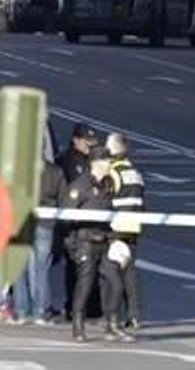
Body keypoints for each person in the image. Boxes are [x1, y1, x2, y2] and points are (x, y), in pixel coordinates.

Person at [62, 145, 128, 342]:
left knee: (116, 283)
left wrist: (115, 239)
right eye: (107, 161)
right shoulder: (79, 187)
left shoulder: (107, 185)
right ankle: (78, 326)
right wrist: (73, 247)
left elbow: (108, 215)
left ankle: (112, 325)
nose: (110, 165)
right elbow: (66, 219)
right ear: (96, 163)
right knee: (85, 285)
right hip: (86, 243)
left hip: (104, 242)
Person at [11, 154, 65, 325]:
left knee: (19, 269)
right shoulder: (55, 171)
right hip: (46, 224)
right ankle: (40, 311)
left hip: (22, 221)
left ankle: (21, 311)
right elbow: (62, 198)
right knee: (42, 269)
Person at [104, 132, 145, 331]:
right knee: (130, 275)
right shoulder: (135, 172)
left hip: (116, 228)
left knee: (112, 275)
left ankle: (113, 316)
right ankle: (135, 315)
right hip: (133, 228)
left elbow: (106, 199)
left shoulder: (112, 172)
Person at [59, 123, 99, 317]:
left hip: (91, 220)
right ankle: (73, 308)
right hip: (74, 220)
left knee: (92, 266)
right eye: (86, 141)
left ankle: (91, 306)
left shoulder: (93, 160)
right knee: (75, 267)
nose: (89, 145)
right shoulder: (67, 160)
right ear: (76, 140)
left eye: (91, 141)